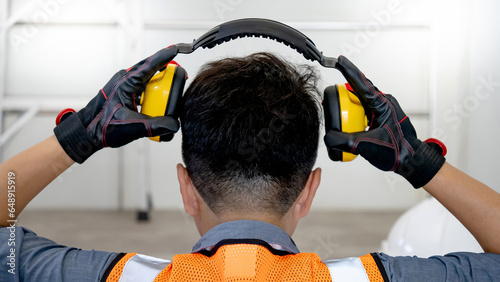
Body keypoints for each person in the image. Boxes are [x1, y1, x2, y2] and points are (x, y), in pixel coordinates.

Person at [0, 45, 499, 282]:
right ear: (310, 190)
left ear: (186, 188)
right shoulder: (369, 278)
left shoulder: (117, 277)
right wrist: (419, 162)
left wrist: (77, 136)